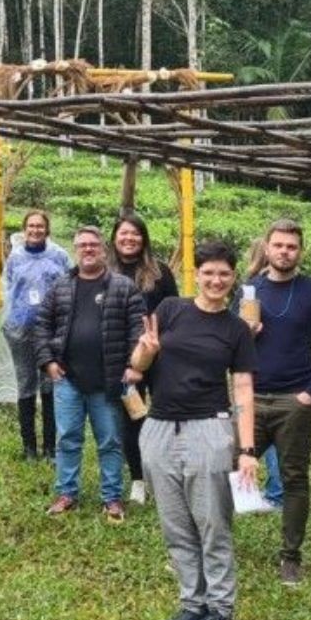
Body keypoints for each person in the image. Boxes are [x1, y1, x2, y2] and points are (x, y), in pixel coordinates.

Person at [130, 240, 258, 620]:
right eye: (208, 272)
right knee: (175, 523)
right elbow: (136, 365)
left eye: (224, 273)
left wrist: (247, 449)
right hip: (159, 428)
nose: (216, 280)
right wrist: (147, 351)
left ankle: (221, 608)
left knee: (212, 522)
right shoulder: (170, 311)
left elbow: (243, 391)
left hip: (210, 429)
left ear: (233, 277)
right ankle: (192, 601)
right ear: (196, 275)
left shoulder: (236, 330)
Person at [238, 220, 311, 587]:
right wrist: (243, 333)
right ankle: (214, 545)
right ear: (267, 247)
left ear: (300, 251)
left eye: (291, 247)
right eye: (278, 245)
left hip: (297, 399)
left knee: (294, 478)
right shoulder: (249, 290)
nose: (284, 252)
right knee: (229, 468)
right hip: (252, 397)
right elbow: (231, 339)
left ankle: (290, 556)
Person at [33, 225, 145, 522]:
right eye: (82, 245)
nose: (88, 249)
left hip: (108, 381)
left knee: (109, 441)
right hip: (68, 378)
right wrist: (48, 362)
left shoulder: (123, 287)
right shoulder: (61, 286)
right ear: (75, 249)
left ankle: (112, 498)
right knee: (67, 438)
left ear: (104, 249)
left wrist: (134, 366)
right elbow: (42, 325)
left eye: (93, 244)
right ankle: (66, 493)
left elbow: (138, 328)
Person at [110, 213, 179, 506]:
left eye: (135, 234)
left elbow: (175, 313)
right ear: (114, 238)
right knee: (132, 418)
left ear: (144, 239)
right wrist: (130, 364)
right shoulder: (105, 272)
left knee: (164, 416)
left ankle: (166, 473)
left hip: (161, 357)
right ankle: (138, 478)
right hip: (123, 359)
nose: (129, 239)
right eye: (124, 233)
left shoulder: (160, 272)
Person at [1, 209, 70, 460]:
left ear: (47, 230)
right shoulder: (15, 257)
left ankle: (51, 447)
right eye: (31, 226)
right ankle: (29, 446)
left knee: (50, 384)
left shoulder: (59, 256)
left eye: (40, 226)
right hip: (20, 329)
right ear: (24, 229)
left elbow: (68, 289)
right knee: (26, 384)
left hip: (50, 331)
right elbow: (9, 288)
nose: (35, 230)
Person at [242, 237, 285, 512]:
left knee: (255, 442)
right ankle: (271, 493)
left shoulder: (253, 289)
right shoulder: (252, 290)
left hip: (258, 377)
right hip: (253, 378)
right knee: (267, 443)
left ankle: (274, 493)